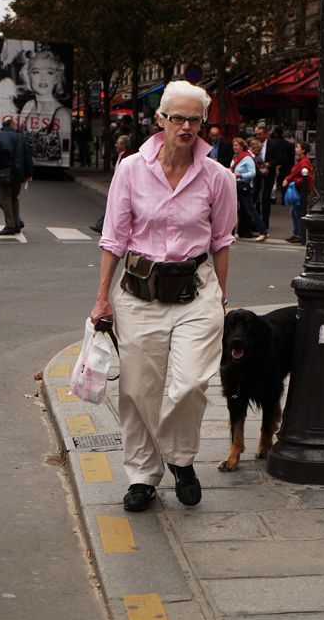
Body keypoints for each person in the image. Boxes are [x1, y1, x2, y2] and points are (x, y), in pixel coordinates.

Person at [91, 80, 237, 512]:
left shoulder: (218, 176)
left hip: (196, 292)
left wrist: (222, 297)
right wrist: (102, 299)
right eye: (178, 117)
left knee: (191, 382)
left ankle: (180, 459)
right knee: (139, 390)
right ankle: (142, 477)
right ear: (160, 120)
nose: (187, 126)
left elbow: (223, 240)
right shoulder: (131, 169)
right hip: (138, 294)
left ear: (203, 122)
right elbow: (113, 238)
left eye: (195, 118)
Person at [0, 116, 33, 236]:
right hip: (18, 172)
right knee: (14, 197)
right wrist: (29, 173)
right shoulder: (20, 137)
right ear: (12, 125)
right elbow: (27, 156)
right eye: (15, 124)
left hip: (4, 171)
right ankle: (16, 224)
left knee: (5, 198)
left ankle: (9, 225)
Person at [231, 137, 268, 241]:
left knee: (251, 210)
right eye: (233, 145)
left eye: (236, 145)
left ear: (242, 146)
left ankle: (263, 231)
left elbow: (253, 173)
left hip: (244, 187)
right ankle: (230, 232)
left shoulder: (247, 158)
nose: (234, 147)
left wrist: (240, 175)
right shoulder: (235, 157)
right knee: (232, 210)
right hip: (235, 186)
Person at [282, 141, 313, 243]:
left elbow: (307, 176)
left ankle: (299, 234)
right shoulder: (300, 161)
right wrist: (287, 178)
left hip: (301, 190)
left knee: (298, 212)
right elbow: (294, 173)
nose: (296, 149)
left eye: (298, 147)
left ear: (303, 150)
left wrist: (295, 182)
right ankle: (296, 233)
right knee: (295, 211)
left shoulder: (304, 162)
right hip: (299, 189)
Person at [253, 125, 282, 229]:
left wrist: (269, 164)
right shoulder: (254, 144)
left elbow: (280, 158)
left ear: (266, 134)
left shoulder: (273, 145)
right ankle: (255, 223)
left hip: (268, 175)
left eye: (260, 134)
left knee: (265, 198)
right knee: (255, 197)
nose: (258, 136)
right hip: (256, 175)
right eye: (257, 134)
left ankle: (265, 222)